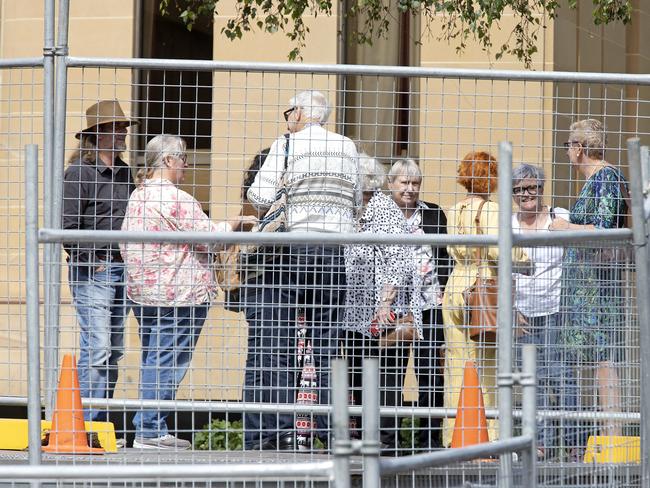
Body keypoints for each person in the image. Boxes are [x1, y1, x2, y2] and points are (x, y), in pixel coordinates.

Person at [120, 134, 253, 450]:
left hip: (144, 293)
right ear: (167, 161)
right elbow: (209, 237)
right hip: (179, 293)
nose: (187, 165)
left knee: (153, 357)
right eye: (182, 159)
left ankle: (149, 426)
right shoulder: (176, 199)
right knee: (168, 360)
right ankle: (150, 430)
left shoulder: (137, 197)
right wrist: (236, 223)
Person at [246, 90, 360, 450]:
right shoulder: (347, 146)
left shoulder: (286, 144)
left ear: (298, 113)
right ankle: (330, 434)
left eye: (288, 112)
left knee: (276, 346)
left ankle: (272, 434)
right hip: (332, 254)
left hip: (290, 249)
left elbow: (260, 197)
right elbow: (356, 201)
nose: (287, 118)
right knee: (326, 348)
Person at [441, 151, 531, 447]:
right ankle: (489, 436)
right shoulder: (491, 210)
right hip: (482, 285)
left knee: (456, 363)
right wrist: (524, 259)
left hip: (455, 284)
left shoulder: (453, 210)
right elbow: (499, 250)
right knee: (487, 363)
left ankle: (455, 434)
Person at [549, 119, 629, 454]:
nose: (567, 151)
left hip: (598, 291)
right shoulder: (597, 180)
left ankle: (613, 436)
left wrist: (564, 226)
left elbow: (604, 228)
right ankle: (601, 434)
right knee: (594, 360)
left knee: (603, 360)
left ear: (580, 148)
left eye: (569, 145)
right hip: (587, 289)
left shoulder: (606, 178)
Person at [342, 154, 422, 456]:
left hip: (383, 308)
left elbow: (398, 259)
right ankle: (364, 437)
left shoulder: (383, 207)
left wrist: (384, 304)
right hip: (355, 312)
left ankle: (384, 442)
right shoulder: (353, 209)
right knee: (358, 375)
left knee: (386, 376)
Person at [63, 100, 137, 423]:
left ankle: (96, 422)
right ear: (100, 133)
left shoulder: (124, 172)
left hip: (123, 269)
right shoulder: (78, 173)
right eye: (117, 127)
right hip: (95, 270)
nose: (123, 132)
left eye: (123, 127)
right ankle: (84, 424)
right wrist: (92, 261)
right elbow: (66, 228)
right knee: (98, 347)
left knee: (114, 350)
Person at [511, 163, 574, 459]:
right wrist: (511, 309)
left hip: (556, 309)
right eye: (520, 189)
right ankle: (540, 444)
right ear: (513, 195)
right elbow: (502, 269)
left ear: (541, 187)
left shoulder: (559, 217)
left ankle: (575, 441)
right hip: (522, 313)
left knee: (561, 376)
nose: (526, 194)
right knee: (530, 379)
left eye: (532, 187)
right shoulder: (508, 224)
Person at [387, 159, 450, 451]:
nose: (410, 189)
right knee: (390, 374)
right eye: (404, 183)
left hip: (430, 305)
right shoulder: (380, 214)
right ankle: (389, 442)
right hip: (392, 308)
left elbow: (444, 257)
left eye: (415, 183)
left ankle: (429, 440)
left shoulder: (433, 213)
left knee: (430, 376)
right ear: (391, 185)